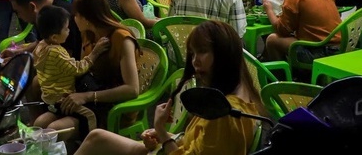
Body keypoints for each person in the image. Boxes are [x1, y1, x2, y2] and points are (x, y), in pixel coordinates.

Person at [76, 20, 262, 155]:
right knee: (97, 137)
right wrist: (170, 136)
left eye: (203, 52)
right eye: (193, 53)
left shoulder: (224, 114)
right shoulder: (233, 94)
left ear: (224, 55)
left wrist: (163, 133)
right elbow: (202, 142)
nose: (195, 61)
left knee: (96, 140)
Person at [57, 0, 140, 128]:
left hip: (115, 104)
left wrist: (88, 96)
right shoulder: (88, 34)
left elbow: (132, 89)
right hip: (90, 93)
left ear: (87, 18)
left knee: (55, 129)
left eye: (76, 15)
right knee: (42, 122)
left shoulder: (122, 39)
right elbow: (85, 70)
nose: (74, 19)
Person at [32, 6, 108, 138]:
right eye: (66, 29)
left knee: (42, 123)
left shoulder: (40, 47)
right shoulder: (56, 52)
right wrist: (94, 54)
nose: (69, 31)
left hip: (49, 99)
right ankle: (92, 140)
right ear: (55, 37)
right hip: (63, 98)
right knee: (90, 115)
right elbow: (77, 69)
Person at [5, 0, 82, 59]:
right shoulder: (41, 13)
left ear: (32, 7)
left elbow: (65, 59)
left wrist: (19, 61)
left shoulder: (62, 18)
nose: (19, 17)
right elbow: (41, 42)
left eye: (18, 12)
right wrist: (17, 53)